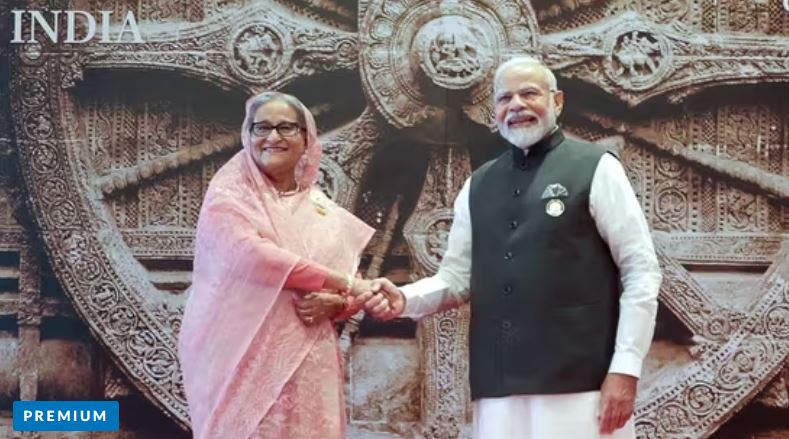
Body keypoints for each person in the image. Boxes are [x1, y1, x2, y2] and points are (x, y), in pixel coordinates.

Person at [371, 56, 663, 438]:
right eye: (505, 98)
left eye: (529, 94)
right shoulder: (478, 185)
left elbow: (641, 270)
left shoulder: (596, 168)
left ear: (557, 101)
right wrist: (404, 300)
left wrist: (625, 368)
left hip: (580, 383)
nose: (517, 105)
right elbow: (456, 278)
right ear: (494, 111)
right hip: (499, 386)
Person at [178, 91, 389, 439]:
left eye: (286, 127)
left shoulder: (321, 209)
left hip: (312, 364)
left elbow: (355, 282)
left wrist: (339, 303)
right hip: (246, 361)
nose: (272, 137)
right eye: (261, 127)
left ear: (307, 139)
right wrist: (344, 284)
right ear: (247, 135)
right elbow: (254, 256)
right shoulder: (229, 198)